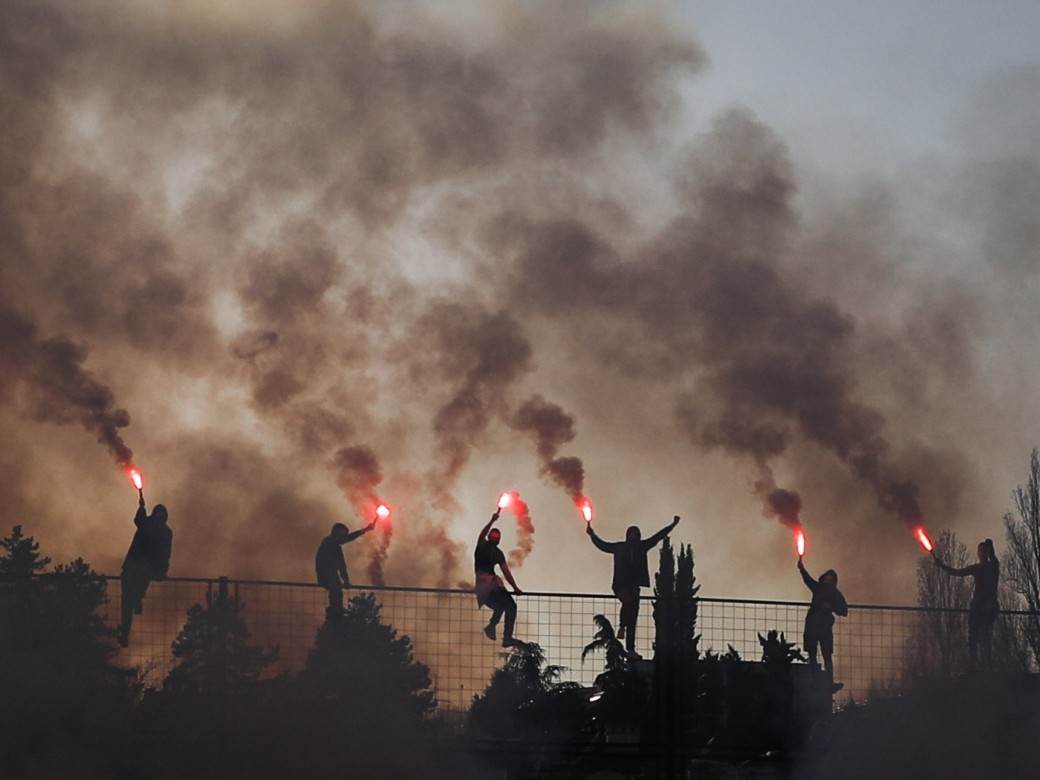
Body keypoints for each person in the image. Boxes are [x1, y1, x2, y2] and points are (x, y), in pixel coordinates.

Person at [586, 515, 680, 660]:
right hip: (620, 585)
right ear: (627, 535)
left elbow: (657, 536)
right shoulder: (620, 547)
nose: (633, 536)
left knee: (632, 618)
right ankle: (623, 627)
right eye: (631, 533)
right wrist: (592, 535)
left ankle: (630, 647)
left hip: (634, 587)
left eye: (635, 533)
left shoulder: (641, 546)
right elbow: (603, 545)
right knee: (628, 603)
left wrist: (672, 525)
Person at [935, 538, 1000, 672]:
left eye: (984, 551)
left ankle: (986, 665)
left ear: (988, 553)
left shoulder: (993, 566)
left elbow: (993, 558)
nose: (982, 553)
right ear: (978, 553)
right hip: (978, 607)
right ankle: (975, 665)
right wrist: (942, 566)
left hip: (988, 607)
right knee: (974, 637)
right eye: (980, 551)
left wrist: (990, 547)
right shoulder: (977, 568)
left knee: (984, 636)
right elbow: (957, 572)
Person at [119, 494, 173, 647]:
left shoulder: (149, 524)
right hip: (144, 569)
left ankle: (125, 631)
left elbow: (138, 520)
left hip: (134, 567)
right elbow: (166, 553)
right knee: (133, 595)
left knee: (127, 601)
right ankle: (136, 602)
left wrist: (142, 507)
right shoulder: (165, 532)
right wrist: (162, 571)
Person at [474, 507, 524, 648]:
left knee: (509, 606)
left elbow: (506, 572)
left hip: (491, 587)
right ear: (489, 536)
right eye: (493, 534)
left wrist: (515, 588)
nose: (495, 537)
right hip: (486, 586)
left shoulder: (498, 553)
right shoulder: (481, 546)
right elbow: (481, 534)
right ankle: (497, 631)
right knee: (506, 605)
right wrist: (492, 521)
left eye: (497, 536)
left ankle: (500, 632)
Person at [797, 560, 848, 691]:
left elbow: (843, 610)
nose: (828, 578)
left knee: (825, 655)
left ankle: (826, 683)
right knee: (814, 654)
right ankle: (817, 681)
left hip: (821, 626)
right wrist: (801, 568)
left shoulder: (833, 592)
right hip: (814, 625)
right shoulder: (820, 588)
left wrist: (831, 607)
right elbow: (807, 579)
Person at [316, 519, 376, 620]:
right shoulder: (333, 546)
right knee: (336, 598)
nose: (345, 538)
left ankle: (334, 616)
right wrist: (346, 580)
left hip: (324, 576)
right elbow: (341, 566)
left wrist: (365, 530)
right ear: (337, 534)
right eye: (343, 535)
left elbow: (347, 539)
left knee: (335, 597)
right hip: (329, 577)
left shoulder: (327, 542)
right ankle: (336, 618)